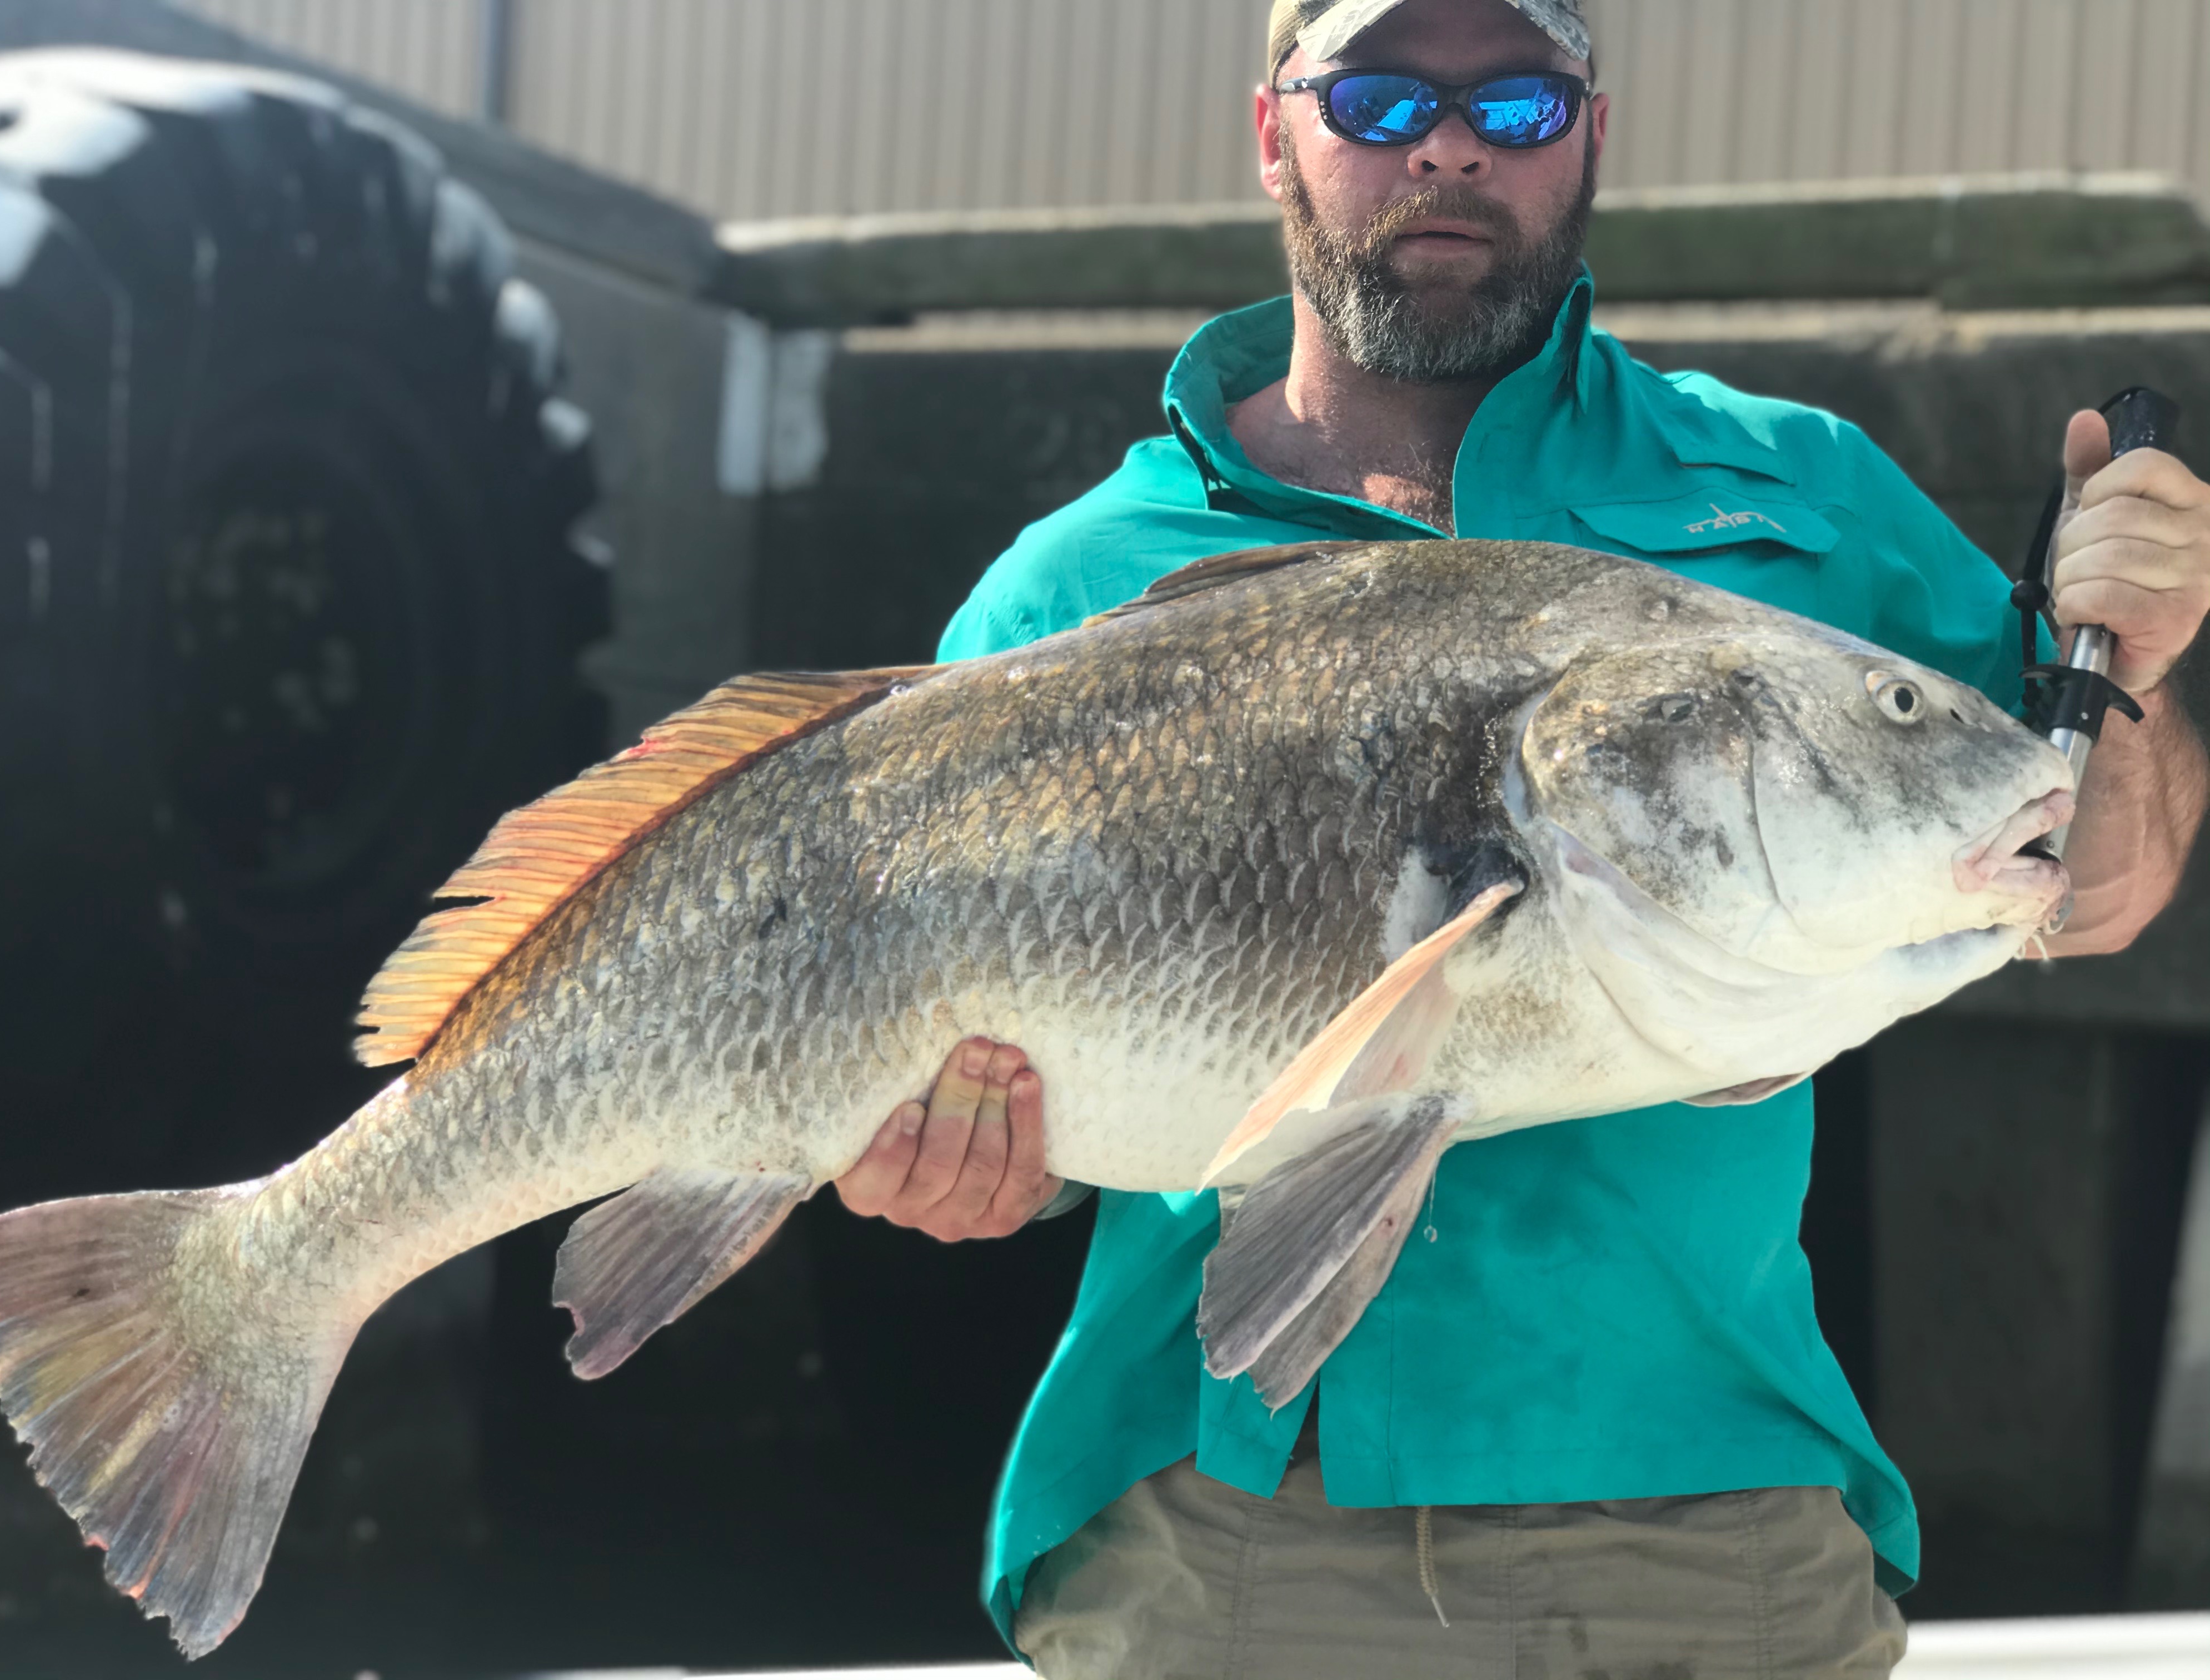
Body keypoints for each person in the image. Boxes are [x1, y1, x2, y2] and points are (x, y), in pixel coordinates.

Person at [837, 1, 2210, 1673]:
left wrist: (2135, 665)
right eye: (1378, 97)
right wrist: (962, 1168)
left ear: (1592, 136)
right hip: (1230, 1537)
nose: (1449, 147)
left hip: (1718, 1528)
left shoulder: (1808, 493)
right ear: (1273, 133)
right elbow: (1008, 1116)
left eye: (1517, 104)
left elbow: (2092, 882)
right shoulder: (1071, 586)